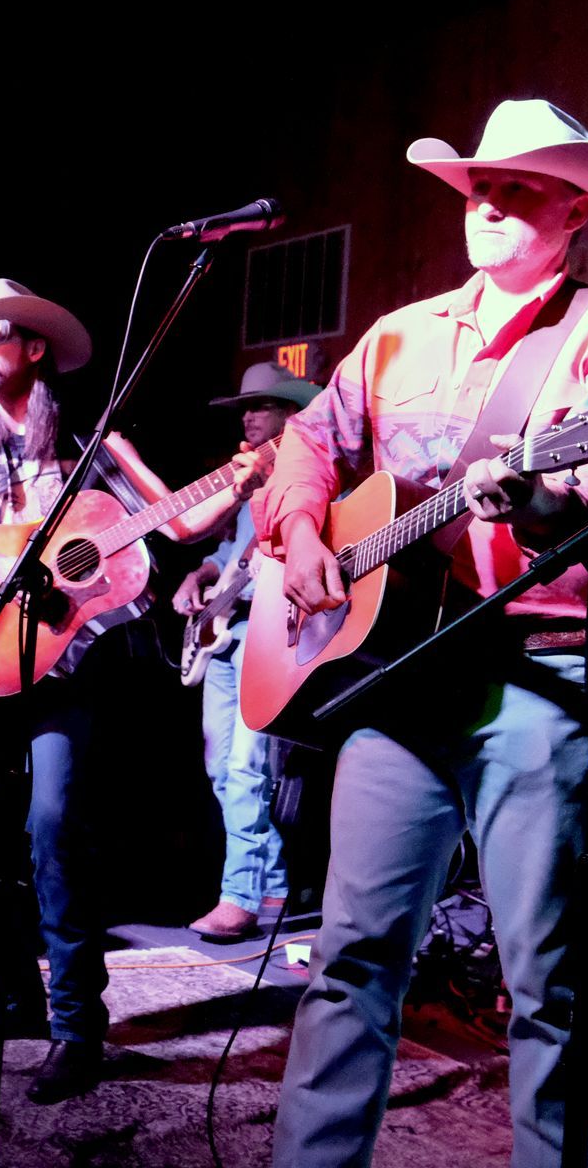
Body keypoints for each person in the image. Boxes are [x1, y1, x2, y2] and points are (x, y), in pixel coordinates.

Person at [253, 99, 588, 1168]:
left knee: (548, 974)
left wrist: (530, 496)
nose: (486, 205)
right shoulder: (396, 335)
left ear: (574, 209)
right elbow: (310, 441)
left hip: (533, 673)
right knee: (351, 953)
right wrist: (304, 530)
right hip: (396, 681)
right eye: (479, 187)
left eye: (517, 188)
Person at [0, 277, 244, 1104]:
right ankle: (13, 993)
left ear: (35, 347)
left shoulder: (90, 436)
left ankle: (78, 1028)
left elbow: (179, 522)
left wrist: (245, 478)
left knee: (57, 833)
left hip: (68, 659)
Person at [172, 362, 319, 940]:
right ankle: (275, 883)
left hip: (266, 635)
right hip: (225, 636)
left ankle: (240, 898)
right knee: (221, 769)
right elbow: (229, 555)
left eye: (261, 406)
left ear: (290, 415)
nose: (248, 417)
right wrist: (198, 576)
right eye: (245, 408)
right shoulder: (248, 481)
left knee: (246, 770)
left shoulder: (310, 478)